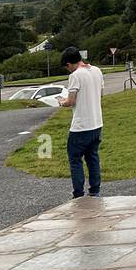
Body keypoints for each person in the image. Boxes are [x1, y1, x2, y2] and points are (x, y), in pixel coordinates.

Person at [58, 47, 105, 198]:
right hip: (96, 123)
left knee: (75, 159)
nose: (68, 70)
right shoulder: (97, 71)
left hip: (81, 126)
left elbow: (71, 101)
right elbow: (101, 94)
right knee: (93, 157)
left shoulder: (75, 76)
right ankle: (95, 190)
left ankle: (78, 193)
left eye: (67, 67)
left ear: (69, 64)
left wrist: (61, 102)